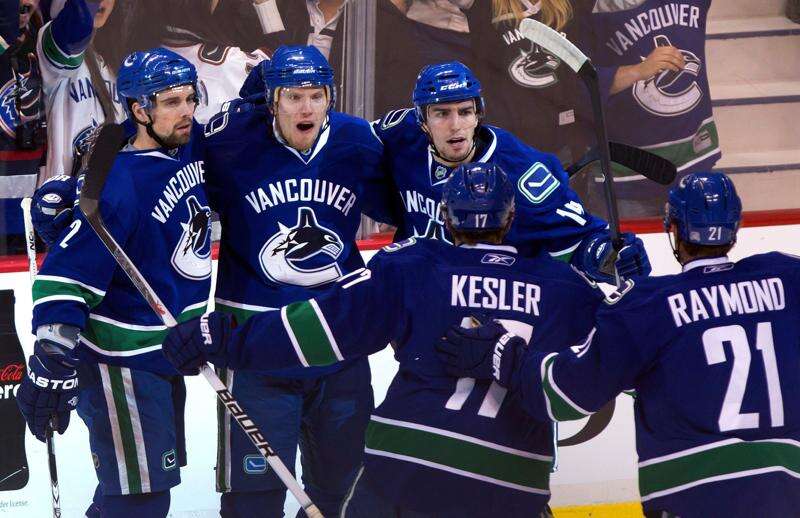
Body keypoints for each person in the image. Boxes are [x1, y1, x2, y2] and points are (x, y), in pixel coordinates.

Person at [161, 162, 604, 517]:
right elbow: (614, 366)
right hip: (509, 484)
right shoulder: (565, 288)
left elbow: (319, 328)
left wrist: (223, 340)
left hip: (402, 472)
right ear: (511, 217)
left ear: (445, 216)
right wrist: (625, 283)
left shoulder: (413, 267)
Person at [438, 172, 800, 517]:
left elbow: (566, 394)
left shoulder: (649, 306)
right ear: (735, 226)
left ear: (673, 229)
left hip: (695, 495)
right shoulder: (787, 277)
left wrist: (504, 355)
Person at [201, 44, 394, 517]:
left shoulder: (357, 142)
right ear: (272, 101)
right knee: (253, 502)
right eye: (293, 97)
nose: (306, 108)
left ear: (330, 98)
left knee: (343, 493)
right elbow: (165, 179)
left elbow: (408, 200)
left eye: (316, 96)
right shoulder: (228, 143)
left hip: (338, 344)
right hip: (255, 346)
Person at [17, 48, 211, 518]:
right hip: (120, 364)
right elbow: (65, 277)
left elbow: (117, 136)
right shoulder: (117, 187)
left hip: (164, 351)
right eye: (171, 102)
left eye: (190, 98)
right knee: (142, 498)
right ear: (141, 110)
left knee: (130, 491)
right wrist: (54, 350)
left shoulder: (185, 145)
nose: (187, 111)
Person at [374, 60, 651, 284]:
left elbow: (581, 240)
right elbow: (354, 147)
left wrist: (607, 255)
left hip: (493, 305)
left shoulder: (522, 172)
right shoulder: (400, 134)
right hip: (420, 296)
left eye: (465, 112)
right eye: (442, 114)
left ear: (478, 114)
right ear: (422, 119)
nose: (455, 125)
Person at [582, 0, 719, 217]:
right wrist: (637, 71)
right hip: (626, 177)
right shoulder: (584, 8)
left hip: (693, 162)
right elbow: (574, 84)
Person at [36, 0, 124, 181]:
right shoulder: (51, 41)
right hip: (59, 194)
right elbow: (78, 25)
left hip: (106, 192)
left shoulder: (116, 63)